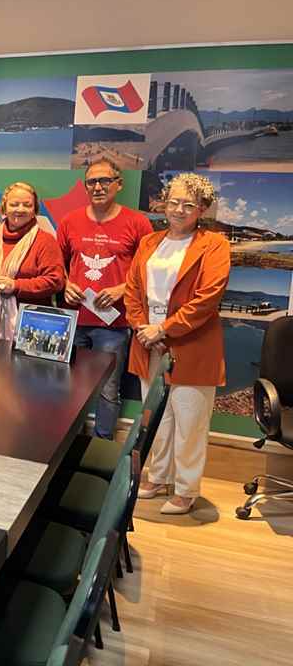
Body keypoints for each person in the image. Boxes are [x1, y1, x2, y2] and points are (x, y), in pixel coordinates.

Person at [125, 173, 229, 515]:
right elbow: (132, 290)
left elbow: (206, 298)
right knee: (155, 416)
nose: (179, 210)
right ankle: (157, 476)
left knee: (189, 419)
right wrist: (143, 328)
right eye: (173, 202)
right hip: (147, 341)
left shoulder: (214, 245)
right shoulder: (149, 243)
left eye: (189, 204)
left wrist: (165, 330)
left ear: (202, 209)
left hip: (192, 343)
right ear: (163, 203)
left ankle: (186, 488)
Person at [58, 159, 152, 439]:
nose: (98, 187)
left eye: (105, 181)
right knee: (67, 385)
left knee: (109, 389)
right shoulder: (69, 221)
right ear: (85, 186)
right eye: (92, 182)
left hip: (114, 324)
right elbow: (56, 264)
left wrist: (123, 289)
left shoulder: (138, 223)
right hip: (73, 319)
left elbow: (149, 268)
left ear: (118, 184)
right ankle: (66, 442)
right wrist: (65, 283)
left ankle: (102, 442)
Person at [0, 181, 66, 340]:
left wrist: (16, 285)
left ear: (35, 210)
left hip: (30, 330)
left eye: (27, 205)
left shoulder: (45, 241)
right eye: (14, 204)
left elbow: (56, 281)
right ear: (4, 208)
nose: (20, 209)